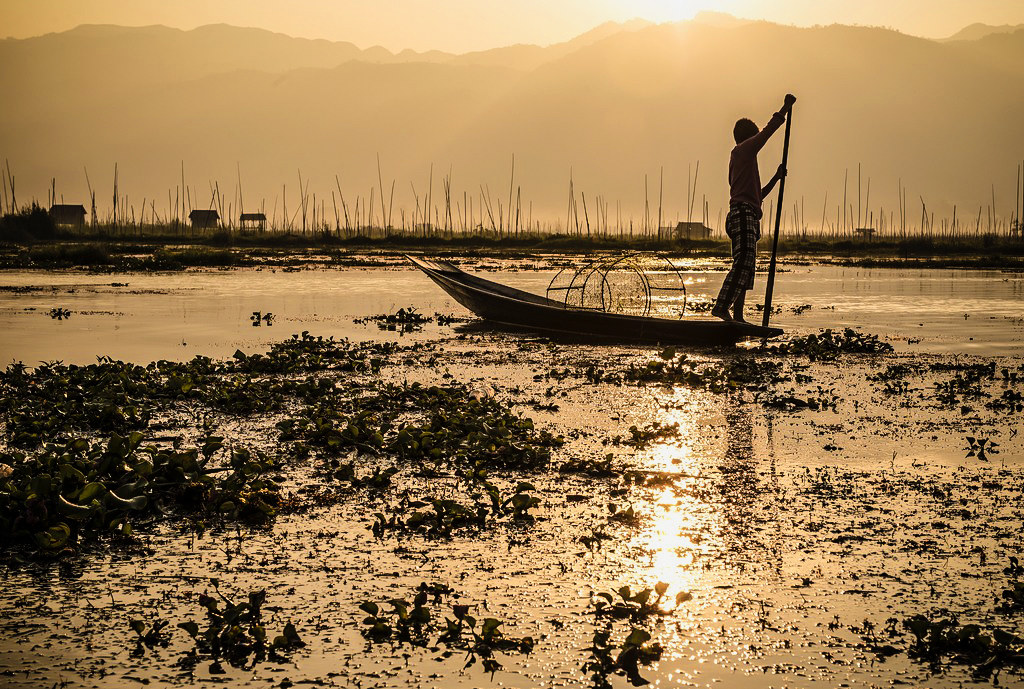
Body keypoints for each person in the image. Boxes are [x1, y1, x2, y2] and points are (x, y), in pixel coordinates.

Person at [712, 93, 796, 323]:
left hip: (747, 213)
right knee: (744, 260)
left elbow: (757, 196)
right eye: (754, 138)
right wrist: (785, 108)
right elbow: (767, 133)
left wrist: (776, 178)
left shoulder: (746, 161)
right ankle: (721, 307)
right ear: (748, 138)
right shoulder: (742, 151)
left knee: (747, 269)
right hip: (741, 213)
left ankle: (737, 316)